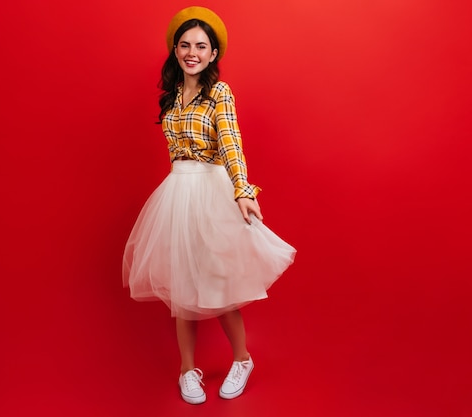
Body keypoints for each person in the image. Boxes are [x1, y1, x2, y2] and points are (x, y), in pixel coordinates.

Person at [122, 6, 296, 405]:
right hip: (178, 193)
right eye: (185, 45)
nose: (192, 52)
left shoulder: (218, 92)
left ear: (213, 53)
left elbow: (231, 143)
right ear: (175, 50)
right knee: (183, 286)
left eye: (201, 46)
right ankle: (187, 370)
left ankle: (242, 359)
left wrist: (242, 190)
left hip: (211, 189)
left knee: (218, 285)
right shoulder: (170, 98)